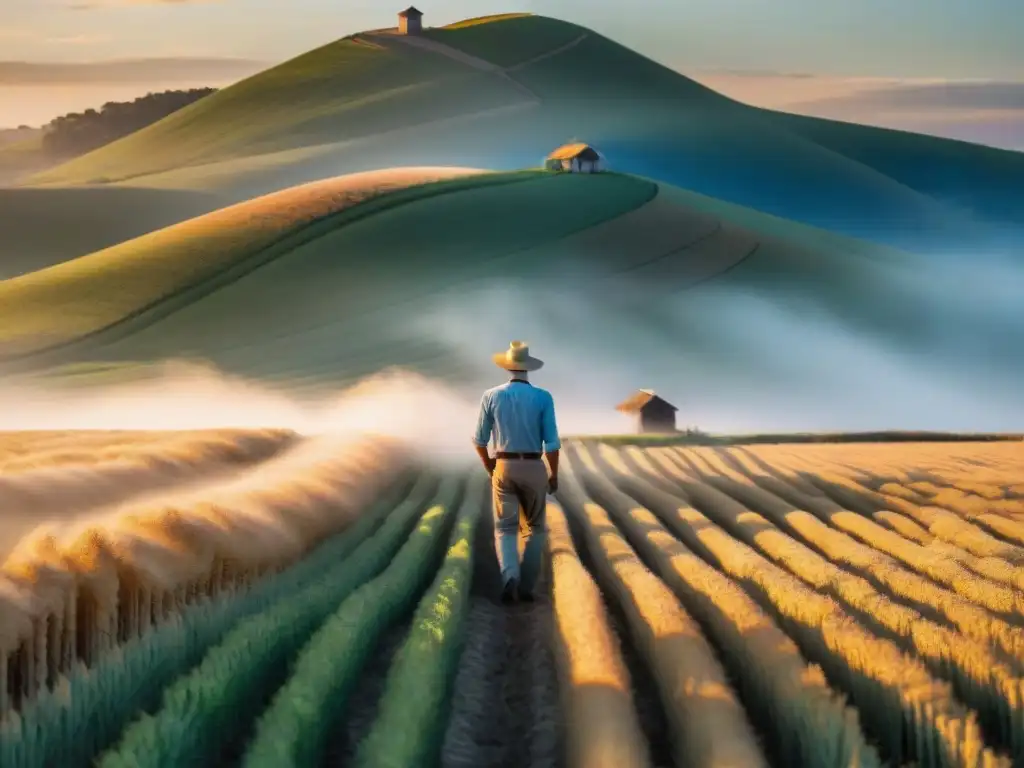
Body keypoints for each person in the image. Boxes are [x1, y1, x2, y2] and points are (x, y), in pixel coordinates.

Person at [472, 340, 560, 604]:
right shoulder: (543, 397)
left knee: (505, 528)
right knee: (535, 528)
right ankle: (526, 587)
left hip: (504, 465)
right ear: (528, 369)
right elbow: (552, 444)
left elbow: (479, 440)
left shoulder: (491, 396)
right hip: (534, 465)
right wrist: (553, 475)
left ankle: (510, 576)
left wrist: (491, 467)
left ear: (508, 367)